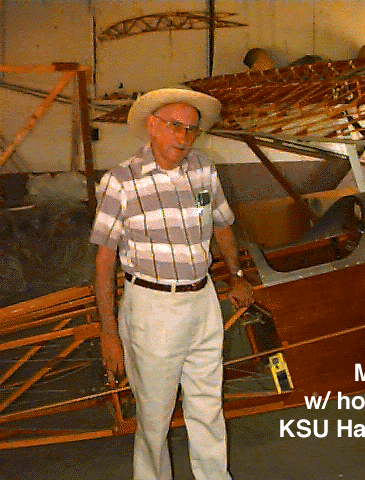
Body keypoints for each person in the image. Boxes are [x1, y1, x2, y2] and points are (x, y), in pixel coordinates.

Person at [90, 87, 252, 480]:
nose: (184, 136)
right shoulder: (121, 182)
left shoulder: (203, 172)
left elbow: (221, 225)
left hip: (202, 300)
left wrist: (237, 275)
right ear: (152, 125)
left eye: (192, 129)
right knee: (154, 414)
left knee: (208, 404)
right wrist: (109, 333)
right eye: (175, 126)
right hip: (153, 307)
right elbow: (104, 261)